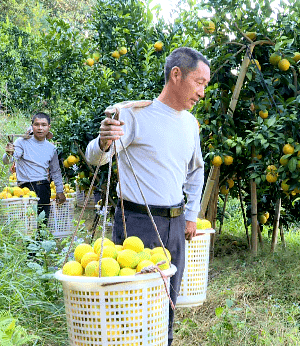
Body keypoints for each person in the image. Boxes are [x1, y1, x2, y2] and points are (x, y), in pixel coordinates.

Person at [85, 47, 209, 345]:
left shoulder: (190, 124)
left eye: (205, 85)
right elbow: (96, 158)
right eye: (199, 82)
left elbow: (195, 172)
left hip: (176, 225)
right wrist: (102, 141)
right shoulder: (134, 115)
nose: (202, 92)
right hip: (136, 222)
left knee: (166, 302)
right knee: (129, 307)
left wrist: (191, 215)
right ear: (176, 75)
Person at [3, 112, 66, 225]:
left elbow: (55, 171)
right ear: (32, 126)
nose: (40, 128)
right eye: (36, 124)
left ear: (48, 127)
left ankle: (41, 242)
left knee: (42, 222)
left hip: (44, 188)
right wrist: (8, 154)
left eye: (43, 125)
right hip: (25, 189)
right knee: (27, 224)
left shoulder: (51, 148)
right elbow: (8, 160)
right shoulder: (21, 142)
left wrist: (60, 191)